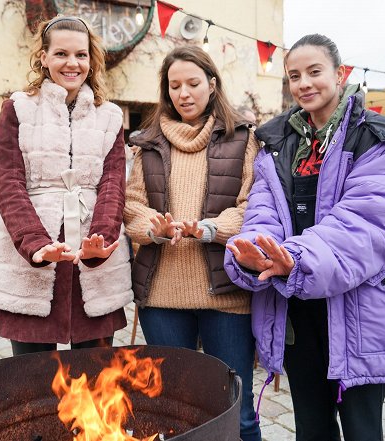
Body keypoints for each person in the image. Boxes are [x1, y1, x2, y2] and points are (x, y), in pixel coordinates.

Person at [225, 34, 385, 440]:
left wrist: (295, 259)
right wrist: (259, 252)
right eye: (295, 75)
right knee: (311, 426)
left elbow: (370, 222)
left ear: (339, 74)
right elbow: (263, 210)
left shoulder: (377, 137)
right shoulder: (278, 142)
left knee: (361, 427)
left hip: (362, 306)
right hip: (297, 308)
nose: (304, 83)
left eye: (315, 72)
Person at [0, 16, 132, 356]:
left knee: (95, 373)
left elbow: (114, 184)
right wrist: (35, 244)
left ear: (92, 59)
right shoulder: (18, 108)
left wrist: (100, 241)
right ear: (43, 57)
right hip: (31, 253)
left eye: (81, 55)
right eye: (61, 53)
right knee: (34, 377)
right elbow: (8, 182)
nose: (72, 63)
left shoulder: (111, 116)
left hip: (92, 259)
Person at [124, 46, 261, 441]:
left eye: (193, 83)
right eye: (174, 86)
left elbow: (252, 206)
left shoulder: (243, 139)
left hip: (228, 298)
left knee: (237, 413)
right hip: (162, 299)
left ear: (212, 85)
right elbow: (131, 204)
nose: (184, 93)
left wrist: (208, 229)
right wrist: (156, 227)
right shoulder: (146, 142)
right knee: (172, 413)